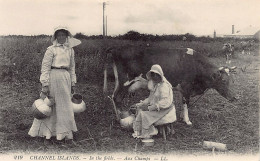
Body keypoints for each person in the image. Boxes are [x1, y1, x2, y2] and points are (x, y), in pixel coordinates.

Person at [28, 26, 81, 145]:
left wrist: (73, 82)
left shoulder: (70, 50)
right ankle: (47, 134)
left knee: (65, 106)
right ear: (55, 36)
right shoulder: (51, 50)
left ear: (67, 36)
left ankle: (65, 134)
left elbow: (72, 68)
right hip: (54, 77)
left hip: (65, 78)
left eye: (63, 35)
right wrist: (45, 84)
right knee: (50, 104)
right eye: (59, 35)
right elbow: (45, 68)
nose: (61, 37)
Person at [132, 64, 175, 139]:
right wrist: (141, 104)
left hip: (165, 109)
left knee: (144, 114)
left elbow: (165, 102)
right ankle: (141, 131)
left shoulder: (164, 86)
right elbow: (150, 98)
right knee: (140, 109)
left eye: (156, 75)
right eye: (153, 76)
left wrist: (150, 108)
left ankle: (149, 132)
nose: (154, 78)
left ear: (160, 75)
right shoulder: (156, 85)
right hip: (157, 108)